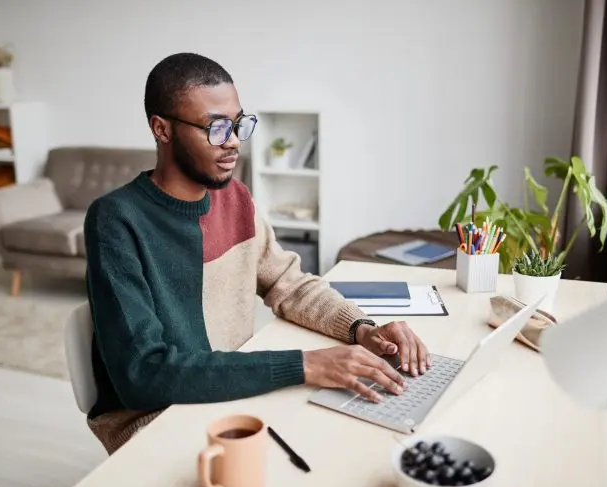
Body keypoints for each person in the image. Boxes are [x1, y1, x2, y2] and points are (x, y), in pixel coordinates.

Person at [83, 52, 430, 455]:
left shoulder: (235, 198)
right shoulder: (116, 220)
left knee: (364, 440)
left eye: (237, 124)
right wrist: (308, 365)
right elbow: (143, 375)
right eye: (216, 128)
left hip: (235, 388)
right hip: (157, 416)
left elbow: (290, 284)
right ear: (162, 129)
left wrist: (362, 330)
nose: (233, 141)